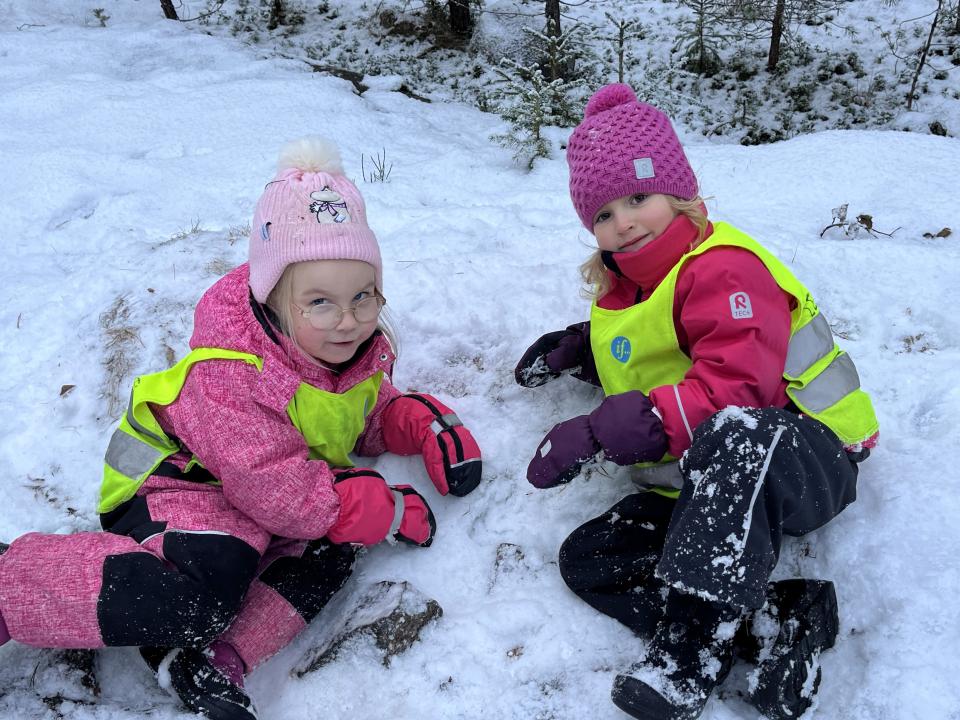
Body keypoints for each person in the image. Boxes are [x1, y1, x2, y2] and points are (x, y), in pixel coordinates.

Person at [0, 136, 482, 720]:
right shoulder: (233, 370)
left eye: (364, 296)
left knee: (330, 554)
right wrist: (361, 503)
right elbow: (268, 482)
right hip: (172, 485)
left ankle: (210, 660)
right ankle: (12, 584)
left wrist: (406, 420)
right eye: (321, 302)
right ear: (275, 298)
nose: (349, 319)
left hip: (255, 499)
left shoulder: (339, 349)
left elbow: (346, 414)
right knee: (209, 585)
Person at [515, 84, 878, 720]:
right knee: (591, 560)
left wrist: (605, 430)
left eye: (637, 197)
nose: (622, 220)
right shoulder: (626, 291)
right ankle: (782, 619)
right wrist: (584, 350)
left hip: (804, 458)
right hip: (710, 482)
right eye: (602, 213)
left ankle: (690, 651)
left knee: (738, 431)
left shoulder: (724, 266)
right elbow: (659, 351)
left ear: (680, 194)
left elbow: (738, 386)